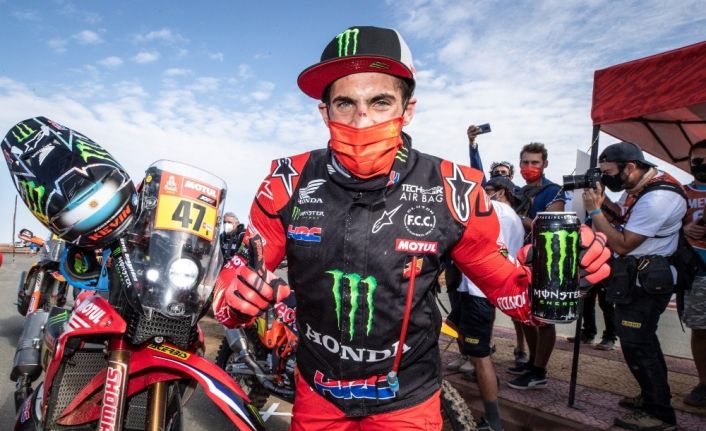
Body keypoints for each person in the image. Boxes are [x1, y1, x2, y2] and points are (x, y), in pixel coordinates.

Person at [211, 25, 611, 430]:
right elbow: (236, 279)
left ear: (408, 109)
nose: (362, 118)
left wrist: (563, 276)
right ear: (324, 111)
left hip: (407, 402)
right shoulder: (286, 180)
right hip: (318, 395)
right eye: (345, 103)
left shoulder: (455, 187)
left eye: (380, 101)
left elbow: (516, 296)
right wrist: (234, 294)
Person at [583, 141, 684, 431]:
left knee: (639, 343)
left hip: (647, 280)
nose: (607, 179)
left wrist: (595, 211)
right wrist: (604, 201)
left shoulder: (658, 198)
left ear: (630, 167)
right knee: (638, 341)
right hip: (636, 277)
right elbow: (624, 219)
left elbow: (623, 243)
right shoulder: (640, 188)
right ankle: (651, 396)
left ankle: (660, 414)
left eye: (609, 173)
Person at [449, 176, 525, 431]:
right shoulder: (513, 217)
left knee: (480, 358)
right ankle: (479, 372)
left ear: (502, 192)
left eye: (488, 190)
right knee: (453, 329)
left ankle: (493, 422)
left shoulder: (498, 210)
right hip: (480, 290)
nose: (484, 195)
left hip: (478, 292)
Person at [464, 125, 527, 366]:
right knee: (484, 312)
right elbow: (477, 175)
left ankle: (521, 348)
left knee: (516, 311)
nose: (500, 174)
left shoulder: (518, 198)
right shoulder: (486, 199)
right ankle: (484, 345)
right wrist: (472, 145)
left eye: (504, 173)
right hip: (491, 268)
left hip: (514, 263)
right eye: (497, 172)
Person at [507, 142, 567, 390]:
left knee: (544, 319)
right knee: (524, 315)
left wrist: (519, 216)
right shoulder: (518, 192)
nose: (529, 167)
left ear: (545, 164)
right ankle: (532, 361)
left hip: (544, 261)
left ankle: (539, 371)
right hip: (519, 260)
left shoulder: (553, 191)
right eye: (525, 162)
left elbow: (551, 226)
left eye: (535, 162)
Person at [681, 139, 706, 407]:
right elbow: (668, 226)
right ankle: (703, 383)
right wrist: (685, 229)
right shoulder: (682, 193)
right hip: (696, 271)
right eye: (697, 161)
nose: (702, 165)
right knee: (700, 330)